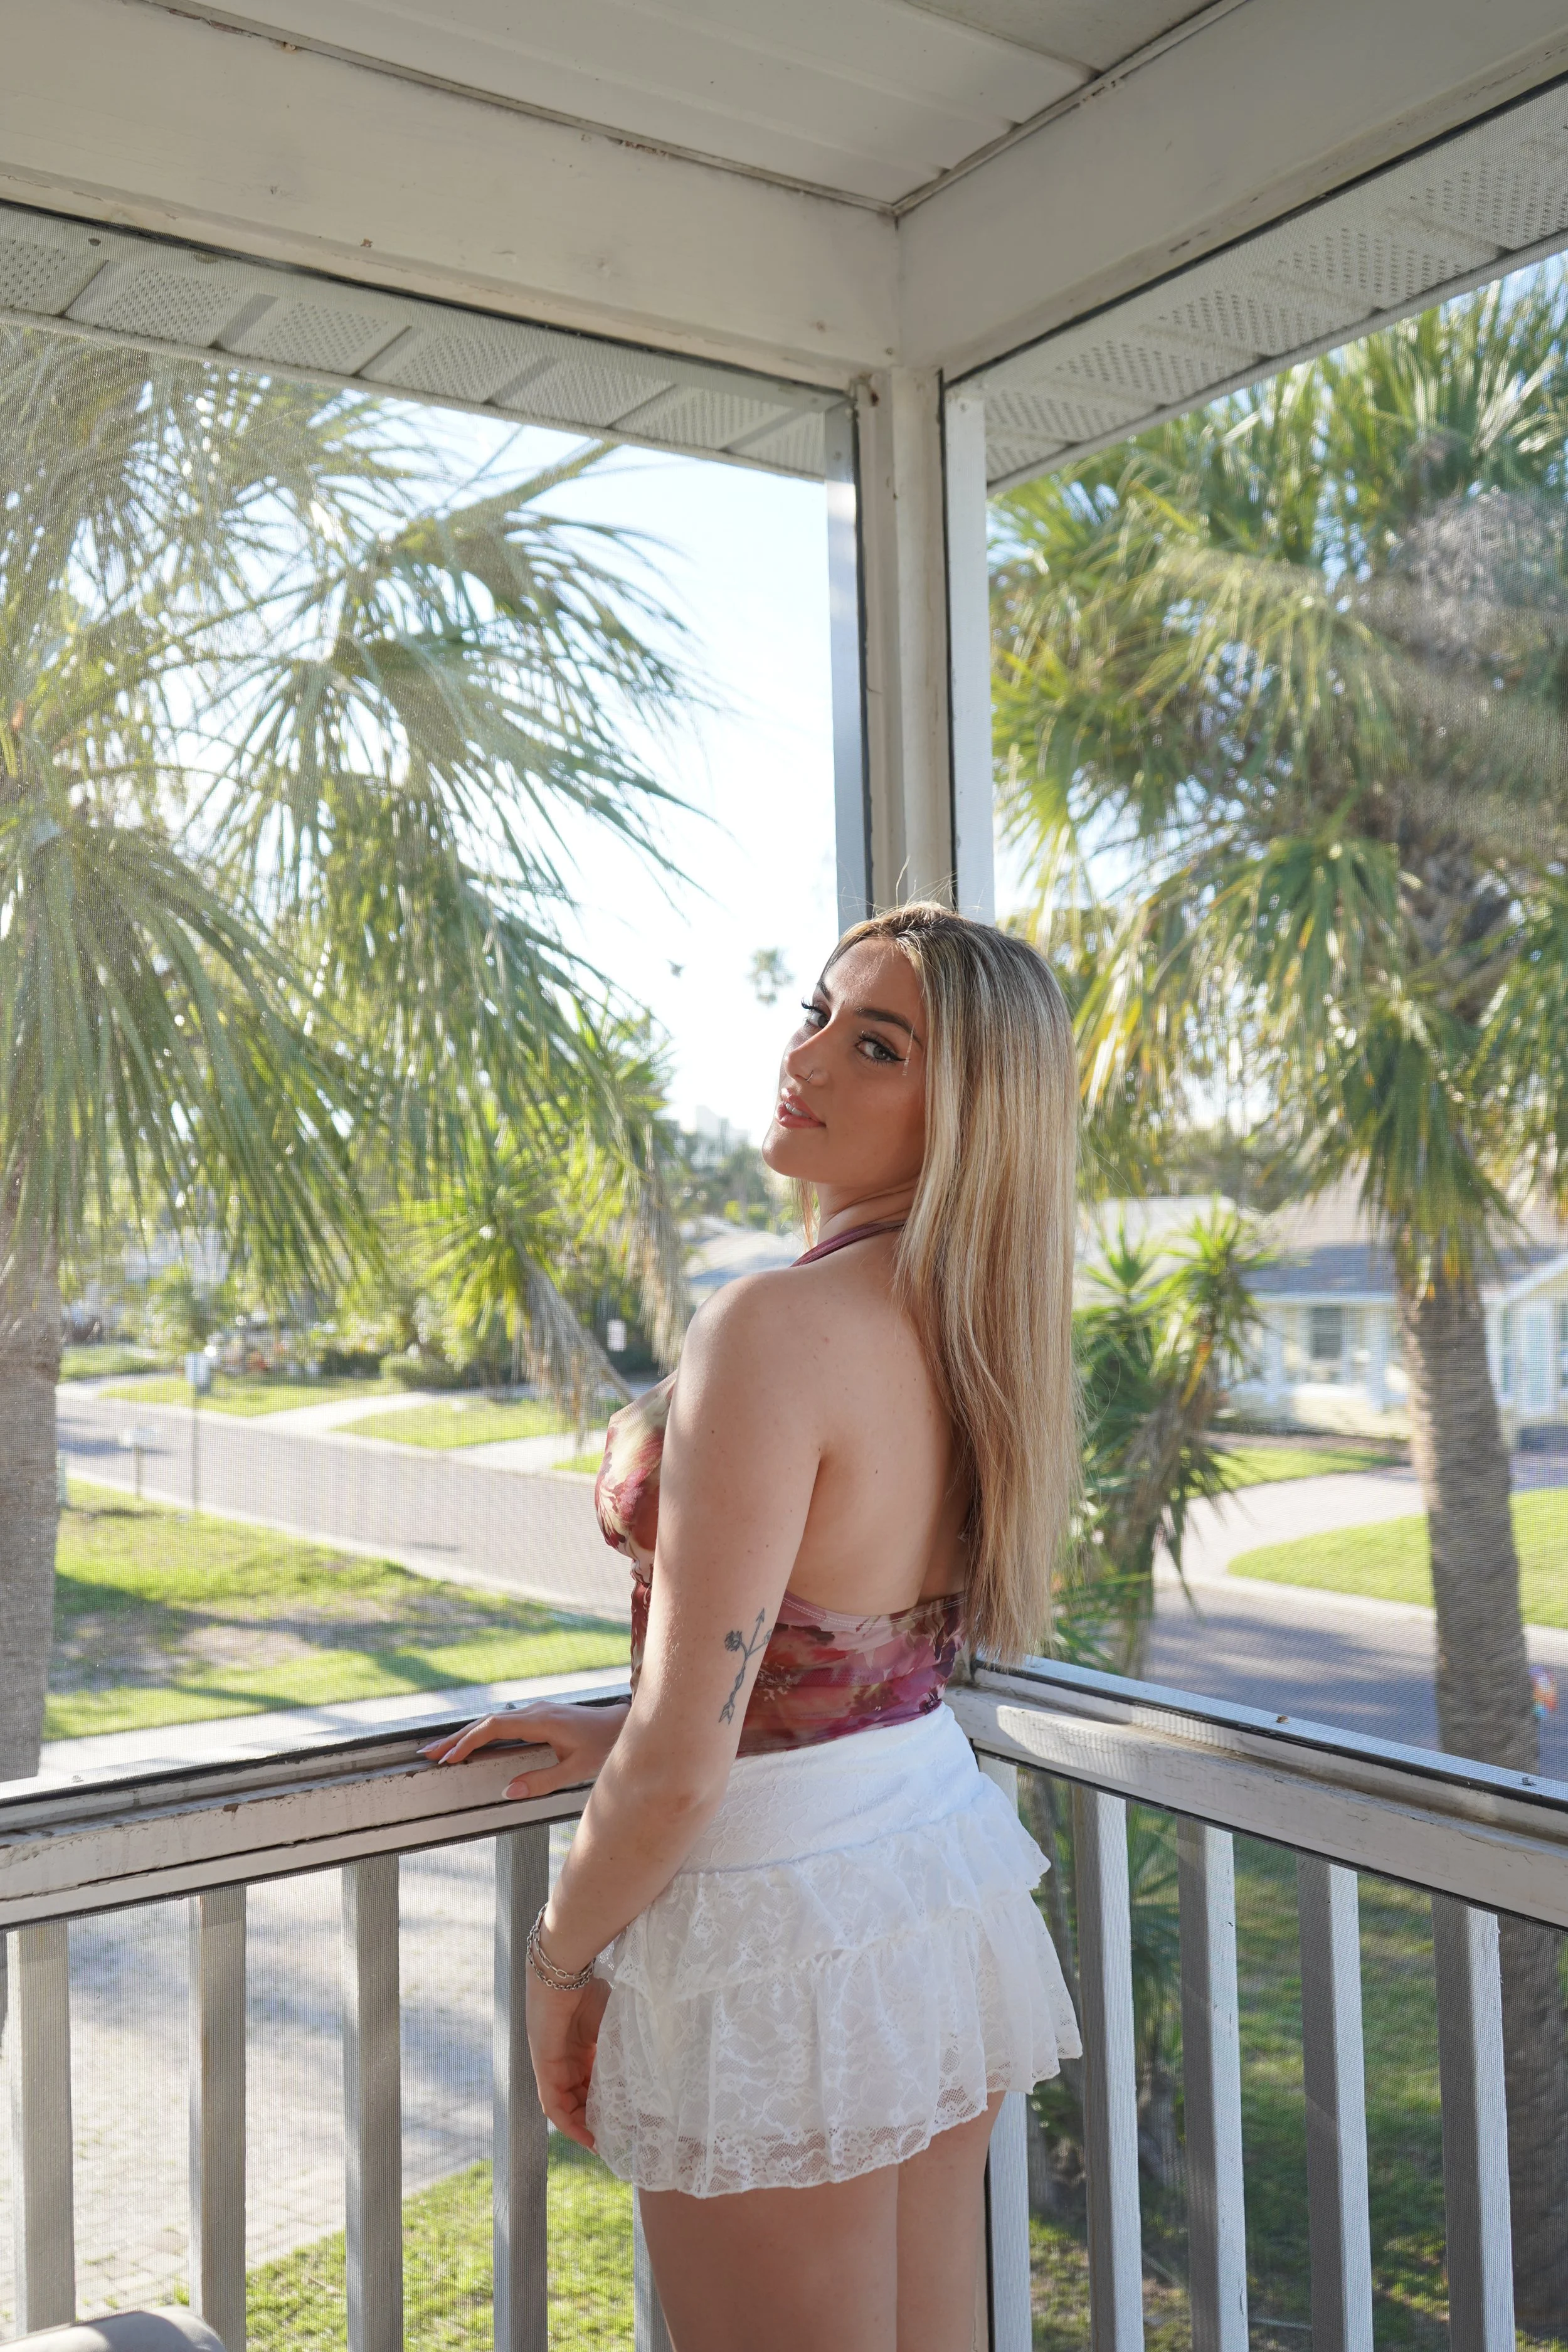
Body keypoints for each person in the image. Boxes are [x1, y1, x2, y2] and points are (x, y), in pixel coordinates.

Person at [423, 903, 1082, 2352]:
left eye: (878, 1045)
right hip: (922, 1869)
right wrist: (628, 1719)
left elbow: (679, 1771)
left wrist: (556, 1969)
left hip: (779, 1922)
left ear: (965, 1104)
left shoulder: (775, 1329)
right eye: (815, 1011)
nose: (810, 1061)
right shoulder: (973, 1322)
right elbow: (857, 1655)